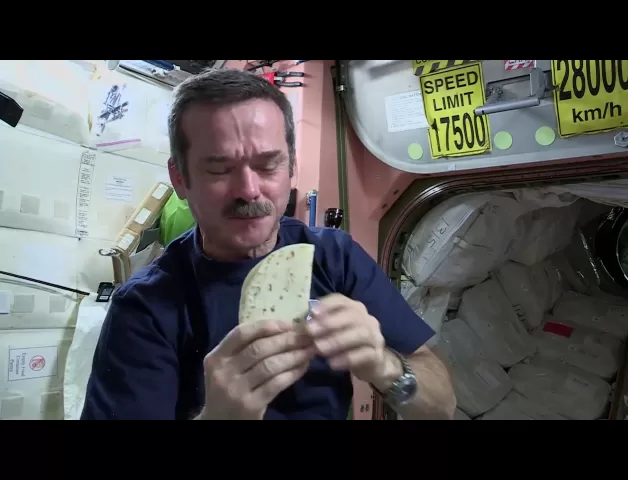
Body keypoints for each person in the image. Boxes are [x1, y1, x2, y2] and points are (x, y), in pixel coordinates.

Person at [81, 68, 456, 420]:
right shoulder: (145, 307)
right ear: (180, 178)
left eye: (267, 165)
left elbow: (442, 406)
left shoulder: (334, 257)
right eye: (219, 169)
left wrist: (384, 366)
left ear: (292, 168)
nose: (248, 189)